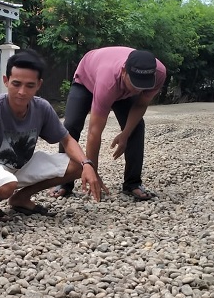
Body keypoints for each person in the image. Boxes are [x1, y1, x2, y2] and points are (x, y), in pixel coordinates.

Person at [0, 49, 108, 233]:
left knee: (77, 165)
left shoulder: (41, 107)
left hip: (19, 165)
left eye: (29, 85)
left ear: (39, 85)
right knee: (7, 185)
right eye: (16, 84)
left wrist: (87, 164)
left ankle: (21, 199)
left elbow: (67, 139)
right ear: (6, 81)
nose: (22, 92)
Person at [51, 47, 166, 201]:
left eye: (144, 85)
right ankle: (64, 183)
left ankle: (133, 184)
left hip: (120, 86)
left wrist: (125, 134)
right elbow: (94, 132)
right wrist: (94, 173)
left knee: (136, 128)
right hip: (87, 78)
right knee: (70, 127)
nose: (139, 89)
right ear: (124, 71)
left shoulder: (159, 73)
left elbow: (140, 105)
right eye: (136, 83)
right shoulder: (108, 81)